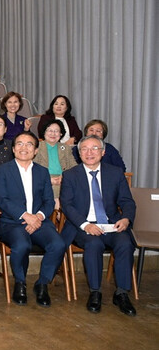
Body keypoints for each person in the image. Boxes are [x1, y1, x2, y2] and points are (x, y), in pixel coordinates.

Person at [59, 135, 137, 316]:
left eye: (94, 148)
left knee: (125, 243)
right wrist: (86, 225)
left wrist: (126, 219)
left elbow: (127, 201)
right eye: (84, 149)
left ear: (103, 152)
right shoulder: (70, 175)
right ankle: (95, 292)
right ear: (79, 154)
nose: (89, 153)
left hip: (111, 224)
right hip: (83, 226)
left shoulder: (115, 173)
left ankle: (122, 293)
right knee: (93, 244)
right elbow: (67, 205)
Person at [0, 131, 66, 307]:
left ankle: (42, 283)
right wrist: (25, 216)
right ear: (13, 148)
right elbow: (1, 199)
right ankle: (20, 283)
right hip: (12, 222)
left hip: (40, 222)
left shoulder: (42, 171)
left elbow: (49, 201)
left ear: (35, 150)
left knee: (58, 244)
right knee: (22, 245)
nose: (23, 148)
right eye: (19, 144)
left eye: (29, 144)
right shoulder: (3, 170)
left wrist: (38, 217)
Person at [33, 119, 77, 205]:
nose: (53, 134)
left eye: (56, 131)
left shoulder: (65, 148)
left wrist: (64, 178)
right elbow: (32, 168)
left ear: (61, 134)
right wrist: (48, 179)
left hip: (63, 179)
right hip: (43, 180)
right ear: (44, 132)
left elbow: (74, 167)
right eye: (50, 130)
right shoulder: (36, 147)